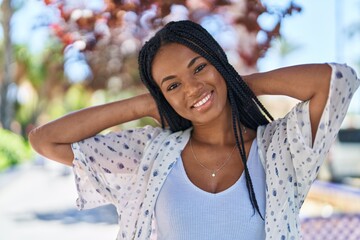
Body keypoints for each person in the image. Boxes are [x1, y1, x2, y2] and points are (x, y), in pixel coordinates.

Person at [29, 20, 360, 240]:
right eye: (172, 86)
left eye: (200, 67)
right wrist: (144, 105)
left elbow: (338, 81)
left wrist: (234, 83)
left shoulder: (281, 149)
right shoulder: (151, 154)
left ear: (219, 61)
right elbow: (45, 140)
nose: (192, 89)